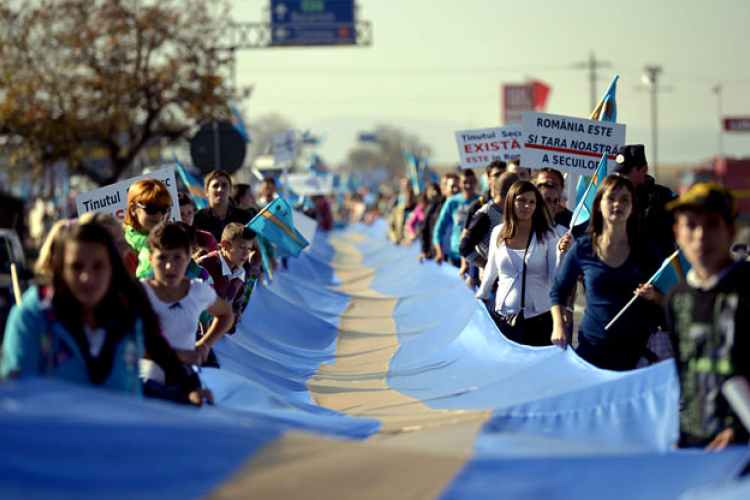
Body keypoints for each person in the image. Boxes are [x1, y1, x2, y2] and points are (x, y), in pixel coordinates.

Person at [2, 221, 209, 404]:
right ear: (60, 270)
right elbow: (17, 398)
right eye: (76, 267)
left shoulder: (129, 309)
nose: (87, 278)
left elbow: (155, 345)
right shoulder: (33, 317)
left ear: (113, 267)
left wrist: (189, 388)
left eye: (98, 266)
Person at [663, 183, 750, 450]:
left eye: (712, 224)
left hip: (740, 450)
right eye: (690, 225)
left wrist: (738, 430)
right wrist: (677, 431)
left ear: (731, 231)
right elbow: (683, 370)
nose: (700, 235)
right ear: (677, 234)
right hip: (693, 445)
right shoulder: (676, 297)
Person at [550, 175, 662, 370]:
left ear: (632, 206)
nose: (617, 204)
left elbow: (668, 295)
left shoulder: (645, 248)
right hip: (593, 350)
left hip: (637, 352)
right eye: (610, 198)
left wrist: (653, 295)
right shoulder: (583, 249)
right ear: (599, 204)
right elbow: (558, 291)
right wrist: (559, 325)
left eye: (625, 199)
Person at [140, 222, 233, 401]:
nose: (169, 266)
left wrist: (205, 345)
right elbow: (131, 342)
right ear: (151, 259)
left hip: (186, 376)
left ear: (189, 256)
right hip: (148, 379)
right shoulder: (140, 293)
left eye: (177, 258)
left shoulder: (197, 291)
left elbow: (226, 314)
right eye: (162, 258)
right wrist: (180, 355)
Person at [476, 180, 560, 346]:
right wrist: (481, 296)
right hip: (504, 317)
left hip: (539, 319)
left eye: (532, 202)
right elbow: (491, 268)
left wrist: (562, 254)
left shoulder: (548, 234)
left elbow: (554, 277)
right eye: (521, 200)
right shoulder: (498, 232)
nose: (527, 206)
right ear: (511, 201)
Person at [612, 144, 677, 259]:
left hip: (657, 272)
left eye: (626, 173)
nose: (621, 178)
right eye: (619, 173)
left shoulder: (663, 199)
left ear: (644, 169)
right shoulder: (610, 200)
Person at [196, 223, 259, 332]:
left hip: (218, 333)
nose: (246, 253)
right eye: (242, 247)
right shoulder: (203, 266)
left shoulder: (241, 274)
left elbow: (237, 307)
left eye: (249, 249)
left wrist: (232, 318)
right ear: (225, 245)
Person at [460, 172, 519, 269]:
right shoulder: (485, 214)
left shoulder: (510, 211)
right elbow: (465, 247)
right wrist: (486, 266)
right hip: (492, 279)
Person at [123, 178, 173, 278]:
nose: (159, 215)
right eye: (151, 208)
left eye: (164, 209)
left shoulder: (173, 242)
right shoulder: (122, 249)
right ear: (133, 209)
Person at [433, 169, 479, 267]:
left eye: (471, 181)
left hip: (477, 256)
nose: (468, 185)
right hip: (455, 256)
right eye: (465, 182)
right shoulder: (452, 202)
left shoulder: (482, 201)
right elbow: (438, 229)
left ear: (475, 182)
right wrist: (439, 252)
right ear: (460, 184)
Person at [193, 170, 253, 244]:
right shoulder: (198, 219)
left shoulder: (244, 217)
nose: (220, 189)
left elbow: (254, 248)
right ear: (206, 192)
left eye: (224, 185)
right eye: (215, 186)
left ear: (230, 190)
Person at [419, 174, 456, 262]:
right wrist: (425, 250)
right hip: (438, 254)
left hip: (456, 254)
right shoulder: (434, 206)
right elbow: (424, 229)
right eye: (444, 184)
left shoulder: (463, 205)